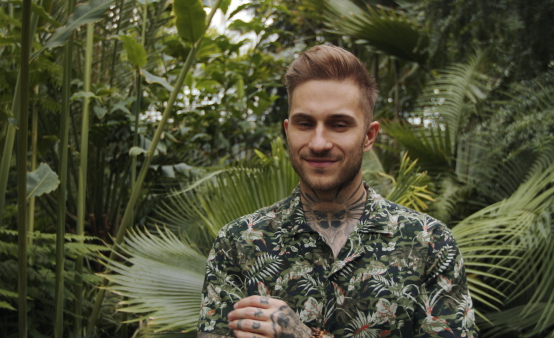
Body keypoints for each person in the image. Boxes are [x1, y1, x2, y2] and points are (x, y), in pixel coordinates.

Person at [196, 44, 477, 338]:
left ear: (369, 136)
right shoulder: (239, 243)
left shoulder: (429, 243)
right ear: (287, 131)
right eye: (305, 124)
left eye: (338, 125)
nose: (318, 143)